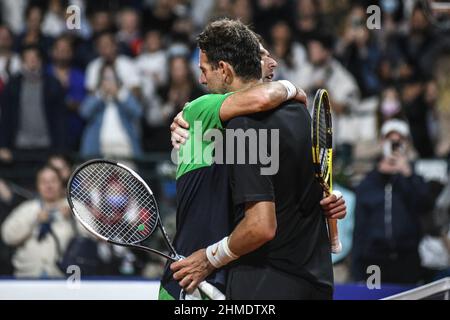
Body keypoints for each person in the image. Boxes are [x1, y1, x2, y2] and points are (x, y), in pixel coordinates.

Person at [170, 18, 341, 300]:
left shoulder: (242, 126)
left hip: (265, 281)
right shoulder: (300, 114)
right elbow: (313, 198)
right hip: (317, 282)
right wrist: (292, 89)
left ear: (224, 69)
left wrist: (208, 259)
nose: (201, 80)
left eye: (204, 70)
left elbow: (261, 226)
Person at [351, 119, 435, 284]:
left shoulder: (413, 179)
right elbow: (359, 230)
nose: (395, 145)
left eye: (399, 141)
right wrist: (357, 271)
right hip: (374, 261)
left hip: (407, 260)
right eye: (391, 141)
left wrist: (407, 173)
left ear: (407, 144)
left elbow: (426, 205)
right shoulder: (368, 183)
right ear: (382, 143)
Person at [1, 166, 74, 278]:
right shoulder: (26, 208)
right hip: (27, 277)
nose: (48, 186)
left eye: (53, 181)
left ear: (61, 184)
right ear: (37, 185)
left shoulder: (74, 207)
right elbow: (8, 236)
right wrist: (33, 220)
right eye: (43, 182)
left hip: (65, 278)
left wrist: (72, 219)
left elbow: (92, 237)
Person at [0, 45, 66, 164]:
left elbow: (60, 119)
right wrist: (3, 146)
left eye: (35, 58)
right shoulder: (13, 84)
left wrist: (60, 150)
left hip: (47, 145)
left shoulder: (52, 84)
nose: (32, 61)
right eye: (28, 58)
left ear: (41, 61)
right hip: (18, 146)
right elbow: (5, 117)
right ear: (22, 61)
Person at [79, 62, 143, 160]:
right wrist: (101, 94)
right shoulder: (96, 97)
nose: (109, 82)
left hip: (124, 149)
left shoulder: (124, 97)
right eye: (105, 78)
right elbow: (84, 112)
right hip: (98, 150)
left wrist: (119, 94)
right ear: (100, 81)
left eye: (112, 78)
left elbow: (137, 112)